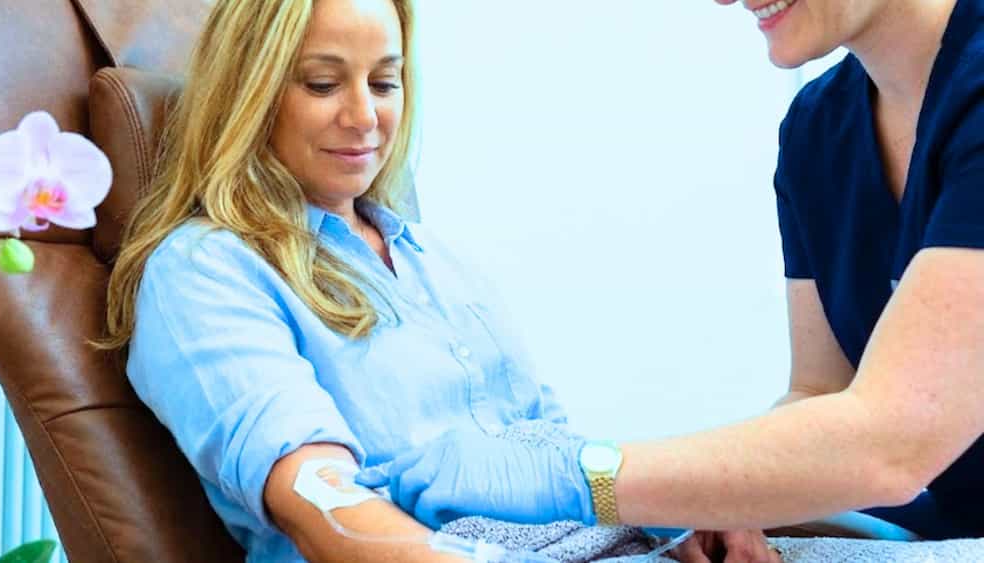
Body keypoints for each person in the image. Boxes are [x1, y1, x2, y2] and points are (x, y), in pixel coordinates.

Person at [359, 0, 984, 560]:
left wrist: (578, 475)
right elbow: (822, 394)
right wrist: (728, 503)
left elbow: (892, 443)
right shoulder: (817, 129)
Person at [98, 1, 577, 561]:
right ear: (250, 94)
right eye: (323, 84)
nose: (365, 116)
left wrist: (675, 523)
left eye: (383, 82)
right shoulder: (206, 271)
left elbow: (557, 453)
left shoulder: (439, 259)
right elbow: (333, 518)